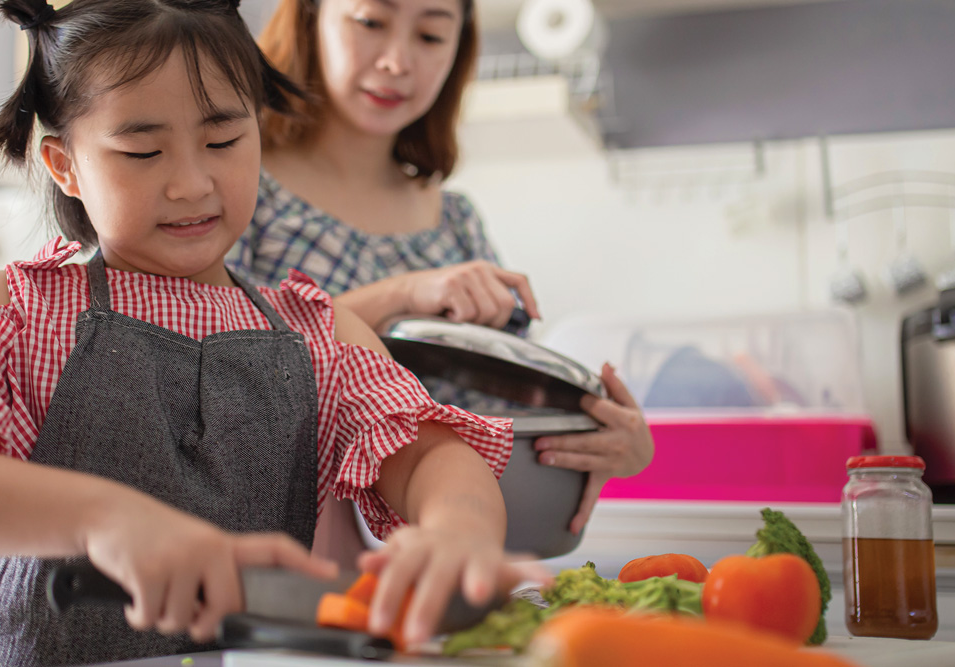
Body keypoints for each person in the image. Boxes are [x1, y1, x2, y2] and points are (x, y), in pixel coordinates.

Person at [0, 1, 543, 664]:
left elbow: (433, 454)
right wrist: (104, 517)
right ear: (66, 166)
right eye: (142, 150)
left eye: (224, 141)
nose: (191, 183)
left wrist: (459, 527)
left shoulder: (321, 335)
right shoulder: (15, 310)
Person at [226, 0, 655, 537]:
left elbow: (492, 413)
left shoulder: (456, 221)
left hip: (450, 547)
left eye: (430, 36)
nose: (397, 61)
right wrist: (402, 294)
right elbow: (217, 366)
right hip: (294, 541)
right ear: (311, 19)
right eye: (370, 22)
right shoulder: (238, 184)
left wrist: (608, 441)